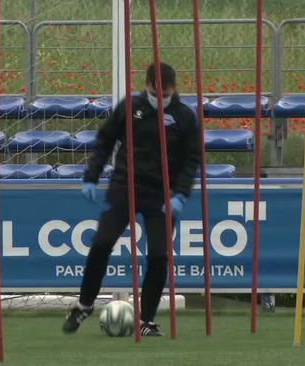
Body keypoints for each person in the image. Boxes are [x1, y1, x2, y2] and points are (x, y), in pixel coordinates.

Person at [62, 62, 201, 337]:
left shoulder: (185, 116)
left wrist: (180, 195)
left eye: (165, 94)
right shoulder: (130, 107)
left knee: (160, 256)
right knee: (101, 243)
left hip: (163, 194)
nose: (159, 98)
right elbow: (105, 141)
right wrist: (91, 176)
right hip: (125, 185)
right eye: (154, 92)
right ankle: (84, 305)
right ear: (147, 85)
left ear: (175, 88)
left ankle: (146, 320)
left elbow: (191, 160)